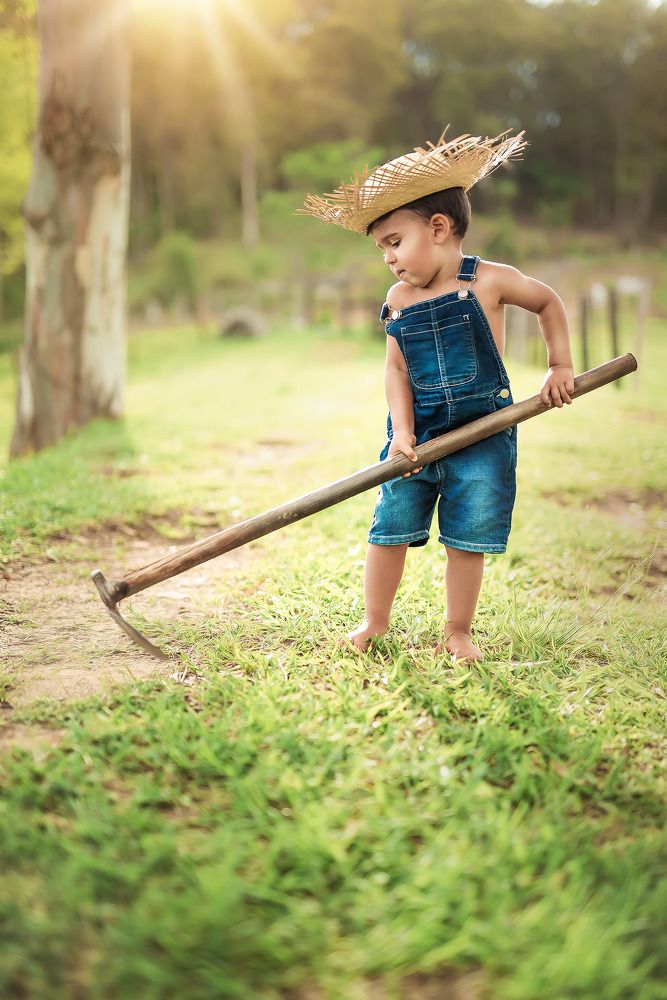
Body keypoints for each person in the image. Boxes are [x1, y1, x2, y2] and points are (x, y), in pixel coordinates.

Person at [300, 131, 575, 662]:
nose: (388, 258)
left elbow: (548, 302)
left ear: (439, 228)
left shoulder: (490, 281)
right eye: (382, 249)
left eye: (394, 242)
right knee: (390, 528)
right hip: (418, 436)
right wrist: (402, 432)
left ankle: (457, 631)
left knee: (467, 537)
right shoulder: (399, 298)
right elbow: (395, 367)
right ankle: (374, 622)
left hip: (483, 435)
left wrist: (559, 365)